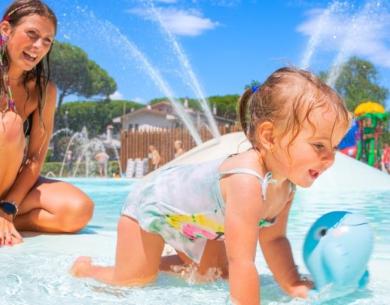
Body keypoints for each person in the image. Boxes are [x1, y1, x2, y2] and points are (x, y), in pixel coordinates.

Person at [71, 67, 351, 305]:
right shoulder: (245, 181)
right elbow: (244, 262)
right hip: (152, 206)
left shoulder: (286, 186)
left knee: (216, 273)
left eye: (335, 147)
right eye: (319, 146)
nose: (330, 159)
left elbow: (274, 239)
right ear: (269, 136)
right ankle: (88, 269)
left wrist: (291, 283)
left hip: (199, 224)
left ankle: (163, 257)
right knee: (134, 280)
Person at [0, 0, 94, 247]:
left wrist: (9, 207)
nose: (38, 46)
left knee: (79, 209)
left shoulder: (43, 91)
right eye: (32, 34)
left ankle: (5, 219)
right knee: (9, 124)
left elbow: (35, 159)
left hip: (10, 186)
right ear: (5, 30)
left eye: (47, 40)